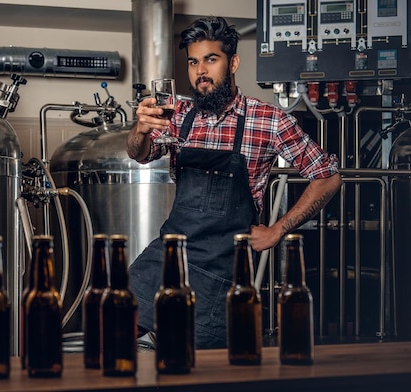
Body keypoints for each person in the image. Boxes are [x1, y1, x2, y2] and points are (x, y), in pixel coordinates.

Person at [126, 16, 342, 349]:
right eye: (194, 62)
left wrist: (277, 230)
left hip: (223, 270)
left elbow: (327, 177)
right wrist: (139, 130)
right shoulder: (178, 113)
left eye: (211, 59)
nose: (200, 71)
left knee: (202, 370)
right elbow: (139, 154)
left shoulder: (268, 120)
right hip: (169, 256)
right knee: (109, 324)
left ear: (233, 62)